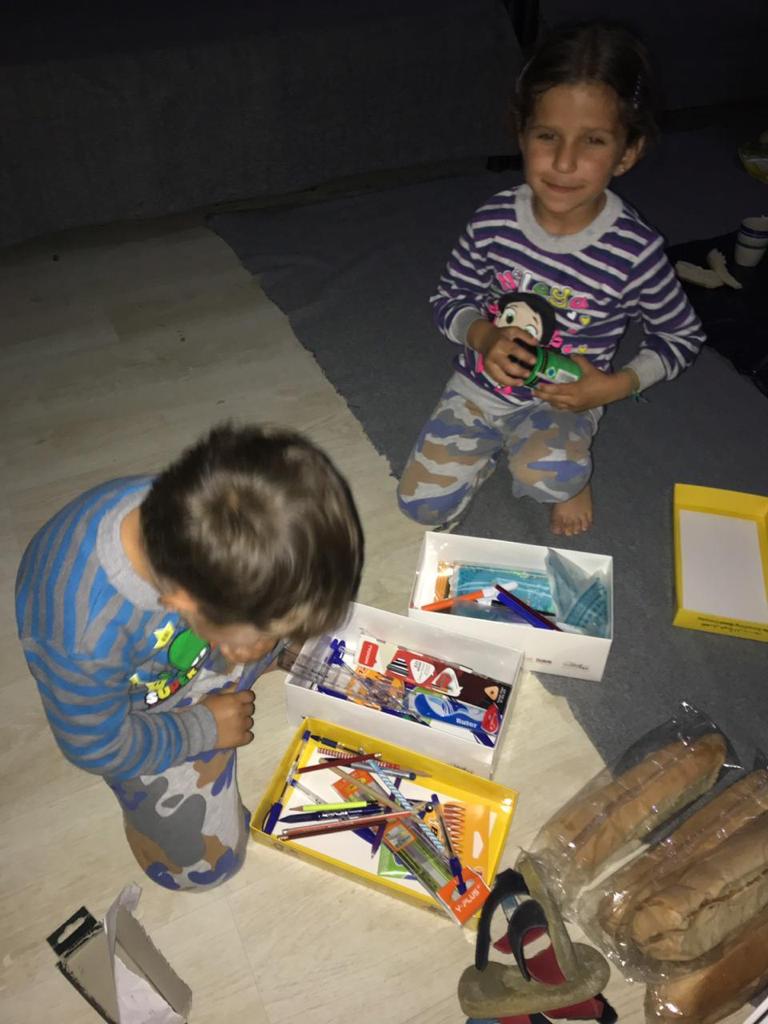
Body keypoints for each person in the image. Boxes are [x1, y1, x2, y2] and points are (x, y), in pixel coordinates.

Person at [15, 423, 364, 891]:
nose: (273, 641)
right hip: (136, 708)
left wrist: (256, 634)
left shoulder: (194, 513)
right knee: (203, 868)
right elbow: (95, 746)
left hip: (201, 623)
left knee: (315, 615)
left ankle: (244, 646)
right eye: (263, 636)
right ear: (181, 605)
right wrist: (200, 728)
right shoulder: (83, 641)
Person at [397, 22, 705, 536]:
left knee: (553, 479)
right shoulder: (493, 220)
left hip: (566, 402)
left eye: (593, 141)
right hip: (478, 388)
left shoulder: (635, 252)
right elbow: (449, 297)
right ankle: (493, 455)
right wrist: (484, 336)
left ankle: (572, 474)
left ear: (628, 152)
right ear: (521, 134)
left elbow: (681, 337)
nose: (564, 162)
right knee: (420, 508)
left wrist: (613, 387)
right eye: (547, 136)